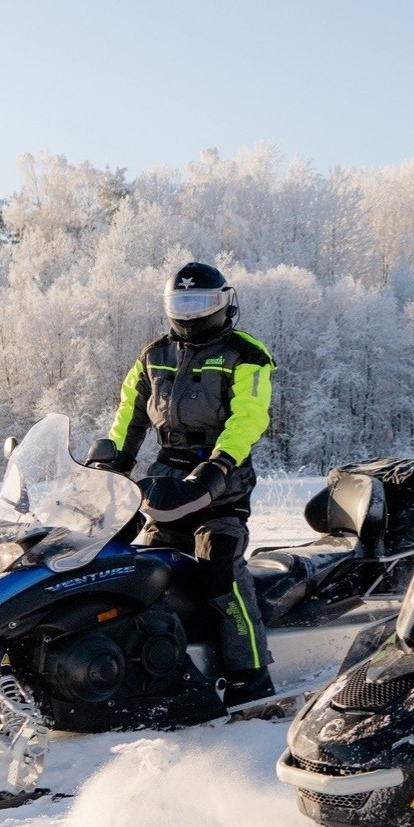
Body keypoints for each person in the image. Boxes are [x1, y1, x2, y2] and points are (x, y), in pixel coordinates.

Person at [84, 262, 277, 702]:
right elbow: (129, 415)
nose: (190, 313)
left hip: (222, 480)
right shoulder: (154, 354)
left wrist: (220, 463)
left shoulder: (246, 354)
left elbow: (248, 419)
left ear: (224, 303)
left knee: (218, 567)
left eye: (199, 303)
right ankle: (157, 666)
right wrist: (112, 462)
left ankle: (251, 675)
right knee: (148, 572)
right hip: (166, 480)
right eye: (181, 303)